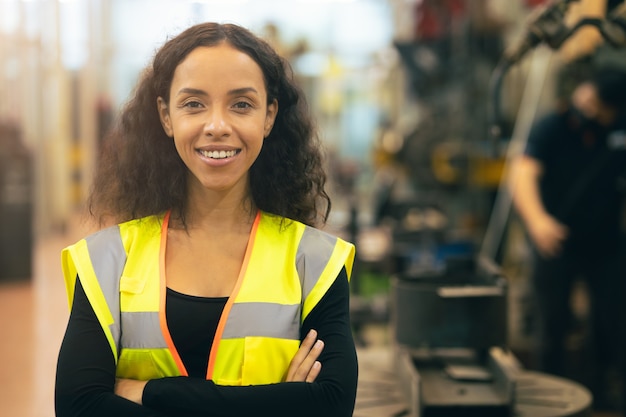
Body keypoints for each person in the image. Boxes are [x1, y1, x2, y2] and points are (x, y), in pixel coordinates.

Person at [54, 22, 358, 417]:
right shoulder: (107, 260)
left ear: (269, 116)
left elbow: (331, 405)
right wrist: (276, 403)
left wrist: (149, 393)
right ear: (166, 116)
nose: (217, 126)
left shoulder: (315, 263)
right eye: (194, 104)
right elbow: (78, 407)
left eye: (241, 105)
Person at [510, 64, 626, 410]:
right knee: (553, 324)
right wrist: (537, 222)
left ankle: (605, 398)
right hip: (554, 240)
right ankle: (551, 402)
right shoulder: (553, 126)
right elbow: (523, 172)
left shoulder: (618, 123)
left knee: (612, 323)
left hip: (606, 242)